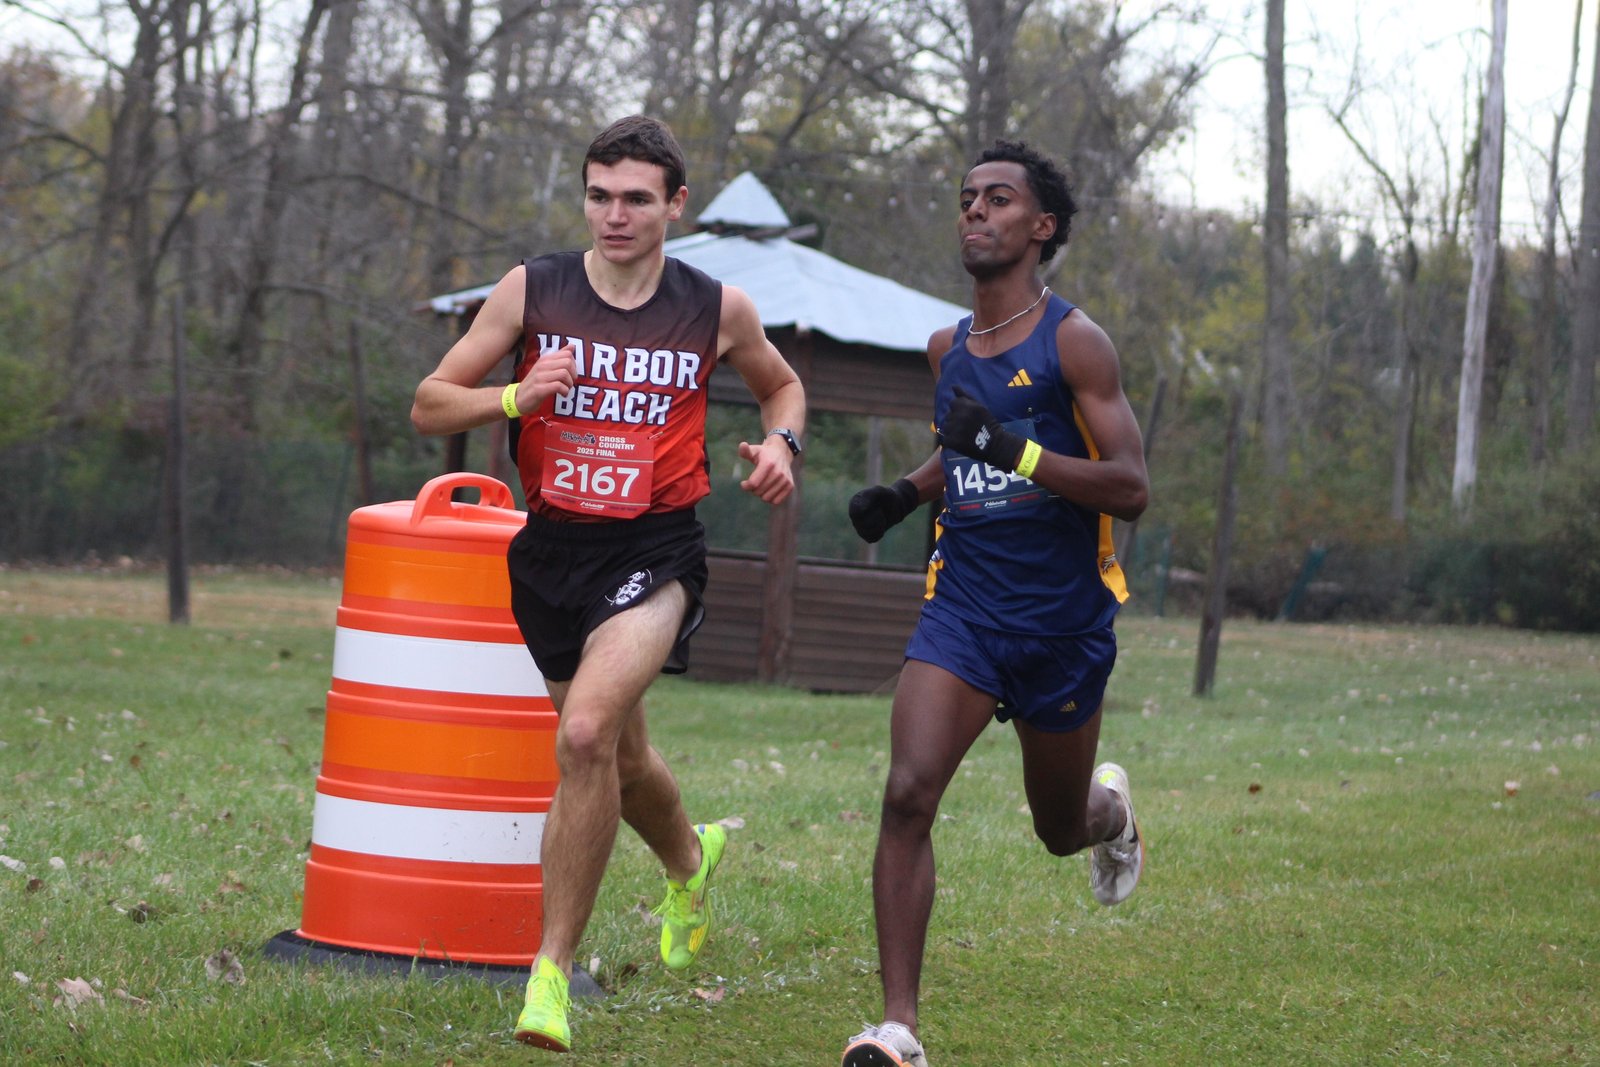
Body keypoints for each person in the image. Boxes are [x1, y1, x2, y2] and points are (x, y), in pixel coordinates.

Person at [411, 115, 805, 1054]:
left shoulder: (716, 306)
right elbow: (430, 404)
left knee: (583, 733)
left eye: (636, 198)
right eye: (599, 195)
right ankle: (688, 856)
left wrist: (781, 444)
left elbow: (783, 387)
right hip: (550, 555)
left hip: (656, 548)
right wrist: (515, 397)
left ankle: (547, 974)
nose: (614, 215)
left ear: (676, 205)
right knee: (619, 760)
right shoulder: (532, 289)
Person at [838, 141, 1149, 1067]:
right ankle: (899, 1028)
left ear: (1040, 227)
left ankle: (1113, 815)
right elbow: (963, 444)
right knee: (906, 792)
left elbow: (1129, 487)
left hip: (1061, 625)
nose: (975, 211)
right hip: (963, 610)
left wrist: (1014, 452)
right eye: (968, 198)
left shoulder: (1075, 342)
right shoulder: (948, 350)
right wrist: (905, 492)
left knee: (1059, 828)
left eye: (999, 199)